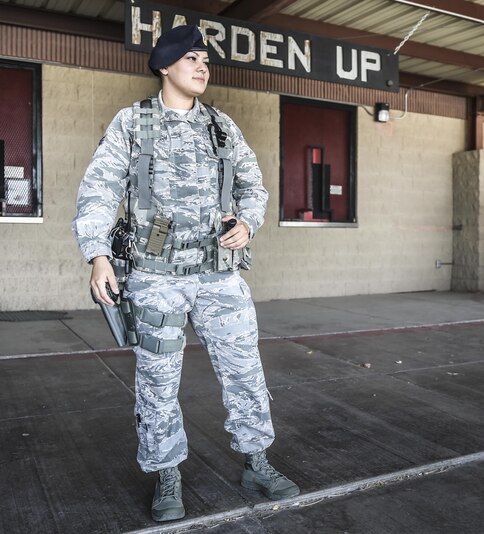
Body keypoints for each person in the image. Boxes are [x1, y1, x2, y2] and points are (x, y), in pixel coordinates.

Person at [72, 25, 299, 522]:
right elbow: (99, 189)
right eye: (191, 59)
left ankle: (257, 461)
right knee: (158, 379)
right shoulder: (133, 123)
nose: (202, 67)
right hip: (155, 274)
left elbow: (253, 185)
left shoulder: (221, 127)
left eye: (205, 61)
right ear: (164, 66)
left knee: (244, 370)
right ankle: (167, 473)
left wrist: (248, 222)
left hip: (220, 274)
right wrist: (98, 254)